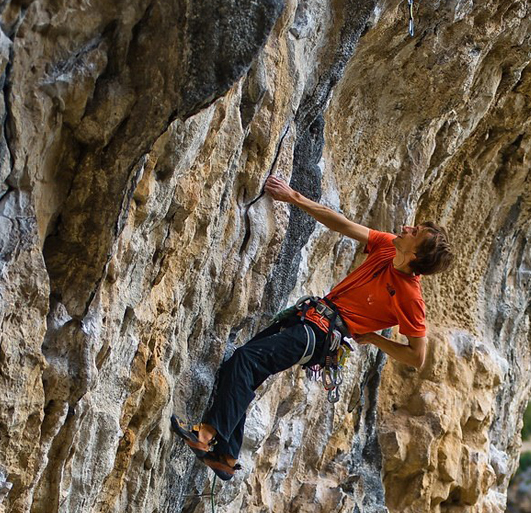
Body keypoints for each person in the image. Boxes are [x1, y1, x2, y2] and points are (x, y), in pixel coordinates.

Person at [171, 174, 453, 480]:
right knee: (241, 366)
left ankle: (208, 434)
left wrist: (373, 337)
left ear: (415, 255)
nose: (408, 227)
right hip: (310, 318)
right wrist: (294, 197)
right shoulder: (387, 247)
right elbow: (341, 223)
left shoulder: (411, 297)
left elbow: (416, 356)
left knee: (246, 361)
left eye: (416, 232)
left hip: (322, 336)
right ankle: (226, 456)